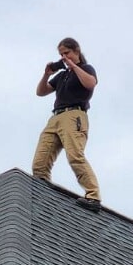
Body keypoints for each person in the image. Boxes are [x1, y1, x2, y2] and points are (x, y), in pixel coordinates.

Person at [32, 37, 101, 212]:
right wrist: (47, 74)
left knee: (74, 155)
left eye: (67, 53)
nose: (64, 56)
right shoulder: (62, 75)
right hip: (55, 117)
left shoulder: (85, 69)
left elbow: (91, 83)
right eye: (61, 54)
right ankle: (42, 192)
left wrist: (74, 66)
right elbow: (41, 92)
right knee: (40, 162)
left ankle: (93, 196)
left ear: (76, 51)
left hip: (74, 115)